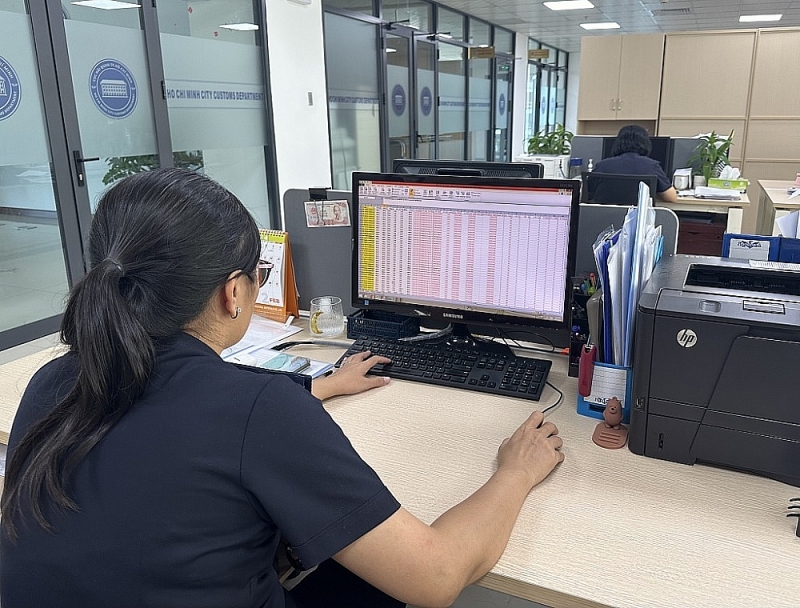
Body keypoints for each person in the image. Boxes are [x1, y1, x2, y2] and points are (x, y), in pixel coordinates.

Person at [0, 168, 564, 608]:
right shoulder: (258, 414)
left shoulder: (55, 379)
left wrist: (321, 387)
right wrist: (516, 472)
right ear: (233, 293)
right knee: (375, 571)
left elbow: (181, 420)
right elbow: (436, 577)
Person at [592, 125, 678, 204]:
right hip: (638, 219)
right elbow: (671, 198)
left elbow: (588, 193)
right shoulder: (651, 166)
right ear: (646, 143)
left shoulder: (602, 165)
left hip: (603, 218)